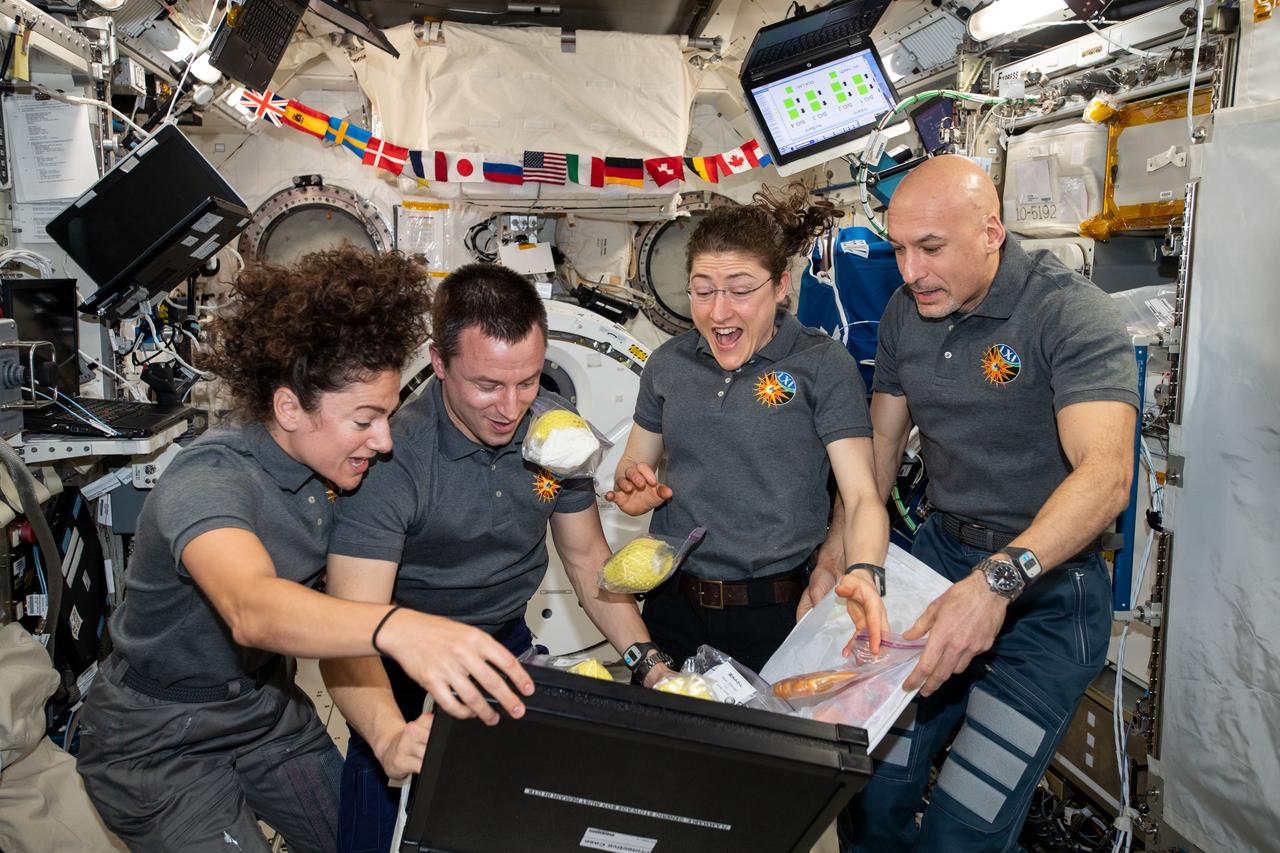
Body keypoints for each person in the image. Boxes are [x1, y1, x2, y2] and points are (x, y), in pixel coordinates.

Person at [76, 248, 534, 853]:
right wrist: (402, 628)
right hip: (157, 740)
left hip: (265, 709)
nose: (385, 441)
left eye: (388, 416)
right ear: (289, 407)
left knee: (363, 842)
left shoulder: (341, 470)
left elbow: (343, 632)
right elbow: (252, 608)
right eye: (364, 420)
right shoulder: (210, 481)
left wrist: (389, 737)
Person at [833, 155, 1138, 852]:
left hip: (1048, 592)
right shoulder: (905, 313)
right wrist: (840, 555)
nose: (910, 271)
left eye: (930, 248)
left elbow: (1105, 476)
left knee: (963, 824)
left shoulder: (1067, 312)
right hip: (941, 561)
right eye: (898, 249)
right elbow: (879, 452)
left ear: (992, 232)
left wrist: (997, 581)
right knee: (868, 783)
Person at [322, 263, 664, 853]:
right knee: (379, 826)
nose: (511, 408)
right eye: (487, 385)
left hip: (501, 641)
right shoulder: (391, 459)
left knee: (507, 825)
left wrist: (649, 664)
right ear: (438, 362)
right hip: (395, 656)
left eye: (527, 381)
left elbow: (587, 561)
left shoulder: (557, 434)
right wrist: (388, 736)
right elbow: (349, 632)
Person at [606, 184, 890, 676]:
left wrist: (864, 571)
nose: (718, 312)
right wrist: (632, 487)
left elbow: (862, 495)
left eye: (740, 291)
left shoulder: (822, 364)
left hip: (777, 612)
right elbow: (635, 464)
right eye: (702, 291)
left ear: (780, 287)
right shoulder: (668, 364)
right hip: (672, 606)